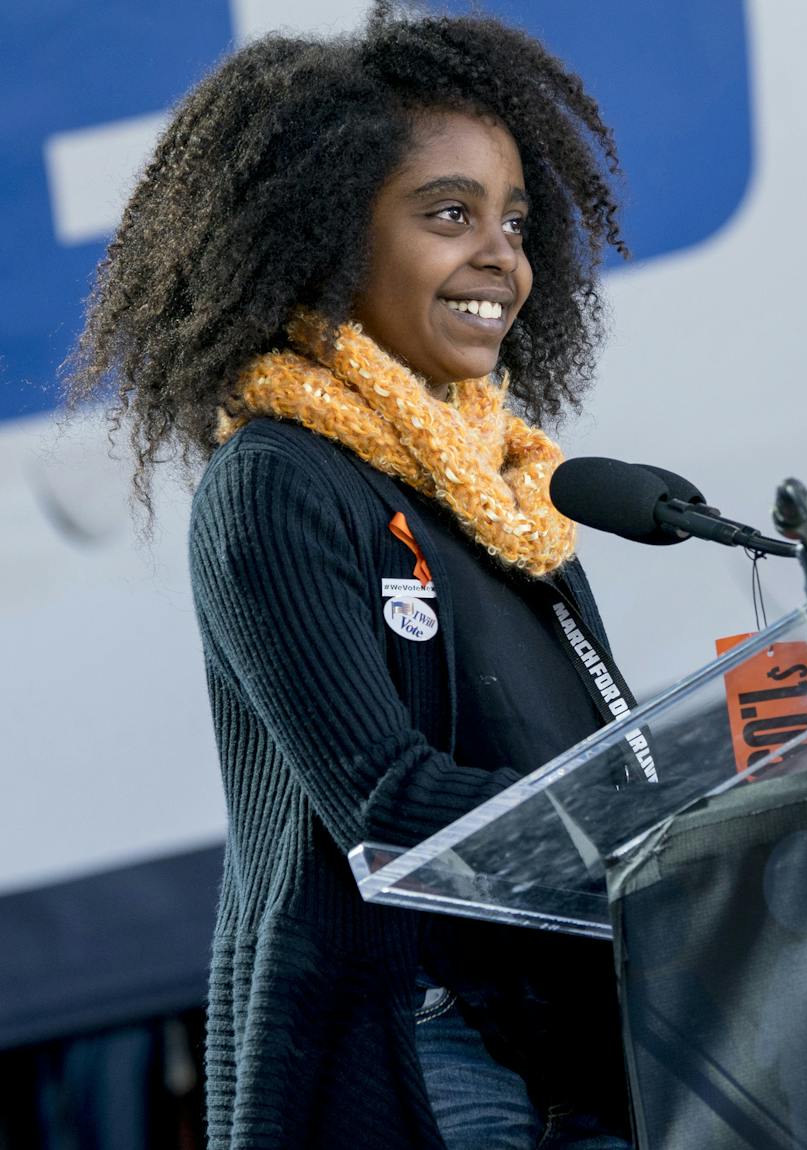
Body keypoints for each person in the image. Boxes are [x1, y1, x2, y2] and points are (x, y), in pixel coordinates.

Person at [66, 6, 635, 1147]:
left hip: (591, 1044)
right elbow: (385, 805)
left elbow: (605, 762)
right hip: (418, 1044)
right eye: (447, 214)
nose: (501, 256)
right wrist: (641, 827)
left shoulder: (519, 501)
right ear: (329, 237)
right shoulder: (276, 482)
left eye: (515, 221)